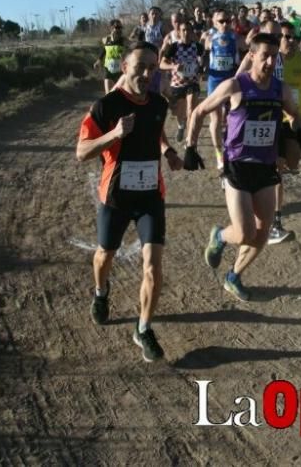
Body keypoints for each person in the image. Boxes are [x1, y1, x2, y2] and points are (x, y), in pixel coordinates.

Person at [75, 41, 185, 362]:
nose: (147, 73)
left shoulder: (158, 104)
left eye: (152, 67)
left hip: (151, 196)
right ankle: (101, 292)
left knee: (153, 267)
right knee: (103, 256)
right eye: (140, 66)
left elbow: (157, 132)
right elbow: (81, 152)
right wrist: (113, 135)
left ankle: (144, 328)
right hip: (116, 197)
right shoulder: (106, 106)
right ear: (125, 67)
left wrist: (168, 151)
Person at [185, 33, 301, 301]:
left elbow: (294, 116)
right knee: (244, 233)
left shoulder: (280, 89)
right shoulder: (236, 85)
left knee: (261, 234)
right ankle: (220, 236)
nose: (271, 62)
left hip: (265, 167)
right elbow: (199, 111)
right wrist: (190, 147)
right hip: (238, 166)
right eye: (265, 56)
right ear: (251, 55)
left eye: (275, 56)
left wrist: (293, 139)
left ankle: (234, 276)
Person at [266, 20, 301, 243]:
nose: (290, 41)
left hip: (296, 120)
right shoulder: (271, 60)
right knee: (278, 168)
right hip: (275, 119)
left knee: (293, 162)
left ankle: (268, 180)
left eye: (294, 37)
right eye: (286, 37)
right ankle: (275, 222)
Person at [200, 8, 246, 169]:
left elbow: (248, 54)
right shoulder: (208, 37)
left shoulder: (237, 38)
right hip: (214, 80)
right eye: (221, 21)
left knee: (232, 117)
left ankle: (231, 147)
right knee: (216, 119)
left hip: (231, 80)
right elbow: (202, 53)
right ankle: (219, 154)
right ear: (213, 22)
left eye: (227, 20)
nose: (225, 24)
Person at [160, 19, 204, 142]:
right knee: (179, 112)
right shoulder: (174, 47)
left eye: (188, 30)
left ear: (191, 32)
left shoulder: (198, 47)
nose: (186, 32)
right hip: (177, 83)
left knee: (191, 110)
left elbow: (203, 59)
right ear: (179, 32)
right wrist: (173, 66)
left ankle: (190, 138)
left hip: (192, 82)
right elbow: (161, 64)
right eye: (183, 30)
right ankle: (181, 126)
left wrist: (202, 66)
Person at [92, 19, 126, 94]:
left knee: (121, 95)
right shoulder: (106, 40)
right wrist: (98, 61)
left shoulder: (124, 40)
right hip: (109, 71)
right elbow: (104, 50)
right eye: (116, 27)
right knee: (108, 96)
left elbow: (133, 47)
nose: (119, 29)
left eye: (120, 27)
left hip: (120, 72)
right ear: (111, 28)